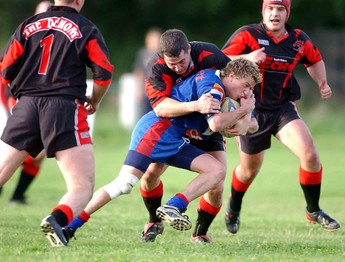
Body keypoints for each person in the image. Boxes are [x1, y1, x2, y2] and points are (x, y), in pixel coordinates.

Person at [66, 29, 233, 244]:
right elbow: (162, 109)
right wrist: (202, 107)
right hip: (170, 128)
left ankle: (198, 232)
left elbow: (233, 79)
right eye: (172, 64)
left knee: (217, 183)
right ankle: (154, 219)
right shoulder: (155, 67)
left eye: (181, 62)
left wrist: (243, 114)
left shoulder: (210, 56)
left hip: (200, 126)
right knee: (140, 178)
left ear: (189, 49)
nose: (177, 68)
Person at [0, 0, 113, 247]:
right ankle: (56, 218)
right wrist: (95, 100)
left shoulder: (28, 24)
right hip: (63, 106)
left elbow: (5, 69)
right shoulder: (86, 27)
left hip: (26, 105)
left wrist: (22, 97)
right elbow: (104, 73)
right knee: (82, 186)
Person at [221, 0, 340, 233]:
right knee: (248, 170)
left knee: (310, 154)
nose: (275, 14)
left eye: (280, 9)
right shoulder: (248, 35)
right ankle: (233, 206)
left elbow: (314, 60)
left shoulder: (298, 40)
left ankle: (313, 210)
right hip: (250, 110)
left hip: (282, 108)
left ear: (287, 13)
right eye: (270, 9)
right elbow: (220, 59)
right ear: (263, 12)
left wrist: (322, 82)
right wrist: (247, 57)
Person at [0, 0, 53, 204]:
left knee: (38, 152)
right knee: (13, 149)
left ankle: (17, 195)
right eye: (42, 13)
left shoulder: (61, 38)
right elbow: (7, 66)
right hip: (16, 98)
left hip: (37, 101)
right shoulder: (27, 32)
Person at [132, 27, 162, 117]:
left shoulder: (162, 54)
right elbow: (138, 72)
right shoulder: (143, 54)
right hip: (146, 90)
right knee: (145, 114)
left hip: (159, 90)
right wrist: (138, 89)